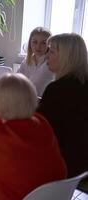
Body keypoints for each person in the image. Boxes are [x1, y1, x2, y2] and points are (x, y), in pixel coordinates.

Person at [37, 33, 88, 178]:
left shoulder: (57, 89)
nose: (47, 56)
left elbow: (38, 128)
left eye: (51, 51)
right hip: (82, 163)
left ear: (67, 57)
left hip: (62, 164)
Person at [18, 27, 54, 97]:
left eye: (43, 43)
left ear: (49, 45)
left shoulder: (51, 63)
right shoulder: (26, 61)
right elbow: (17, 80)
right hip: (26, 100)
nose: (38, 46)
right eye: (35, 42)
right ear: (30, 43)